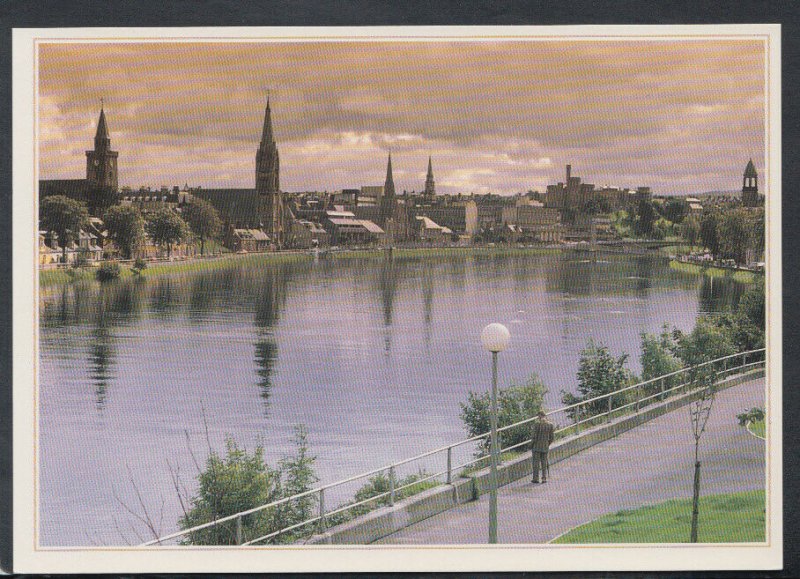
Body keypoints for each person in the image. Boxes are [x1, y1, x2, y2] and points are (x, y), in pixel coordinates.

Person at [530, 410, 555, 483]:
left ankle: (536, 478)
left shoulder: (537, 424)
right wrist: (547, 444)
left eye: (538, 415)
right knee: (544, 463)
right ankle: (544, 478)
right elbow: (552, 438)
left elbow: (534, 436)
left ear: (540, 415)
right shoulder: (550, 425)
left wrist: (531, 445)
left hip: (536, 447)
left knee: (536, 463)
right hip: (545, 446)